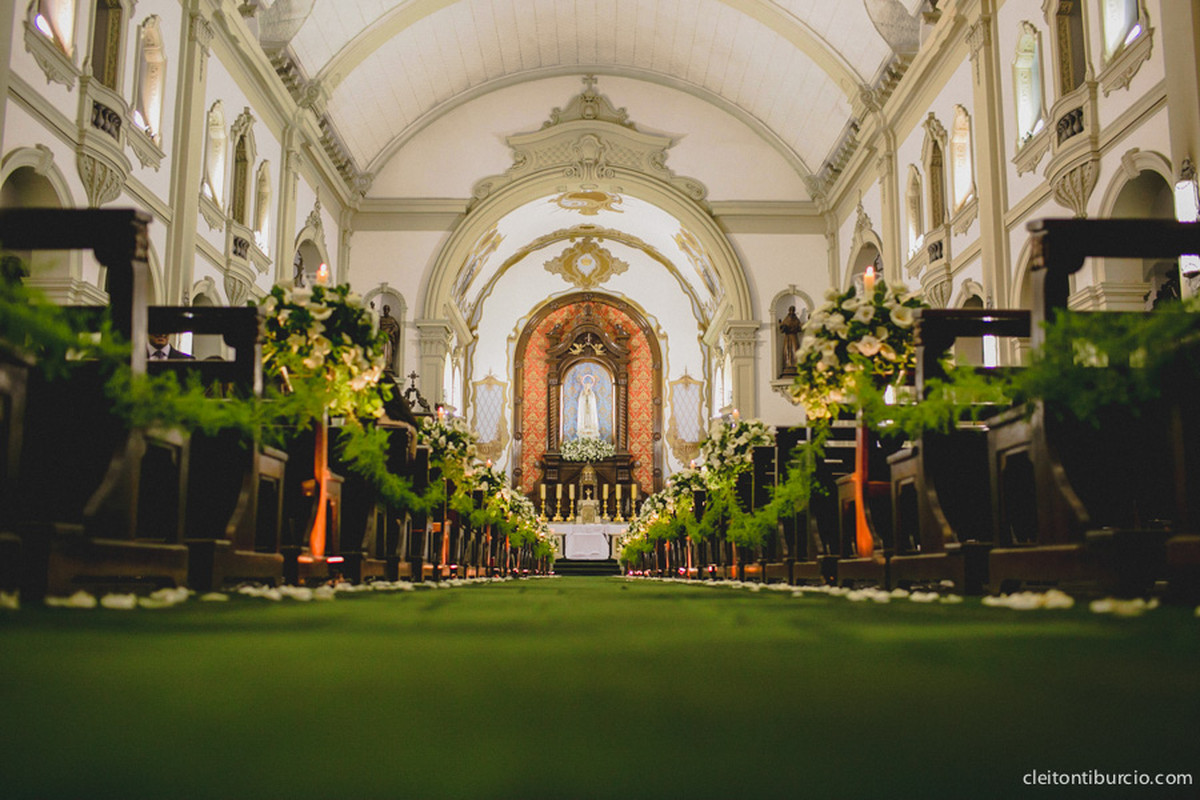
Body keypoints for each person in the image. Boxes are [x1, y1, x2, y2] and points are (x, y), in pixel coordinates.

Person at [778, 305, 803, 376]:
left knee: (795, 350)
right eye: (791, 310)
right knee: (787, 351)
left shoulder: (796, 319)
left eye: (793, 310)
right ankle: (787, 365)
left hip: (794, 336)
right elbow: (782, 329)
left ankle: (795, 365)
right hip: (788, 337)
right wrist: (782, 326)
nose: (792, 311)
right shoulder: (787, 318)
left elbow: (799, 328)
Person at [378, 304, 400, 375]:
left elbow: (396, 328)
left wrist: (391, 332)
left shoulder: (391, 320)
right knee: (381, 351)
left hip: (388, 339)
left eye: (387, 310)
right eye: (384, 310)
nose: (386, 311)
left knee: (388, 352)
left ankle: (387, 365)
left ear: (389, 310)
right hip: (381, 339)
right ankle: (381, 365)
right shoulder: (381, 319)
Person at [577, 374, 600, 439]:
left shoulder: (592, 394)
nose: (587, 388)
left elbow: (593, 403)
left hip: (590, 412)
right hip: (584, 412)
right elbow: (581, 402)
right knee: (584, 419)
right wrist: (585, 398)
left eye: (588, 386)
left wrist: (589, 398)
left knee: (591, 419)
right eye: (586, 386)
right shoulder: (582, 394)